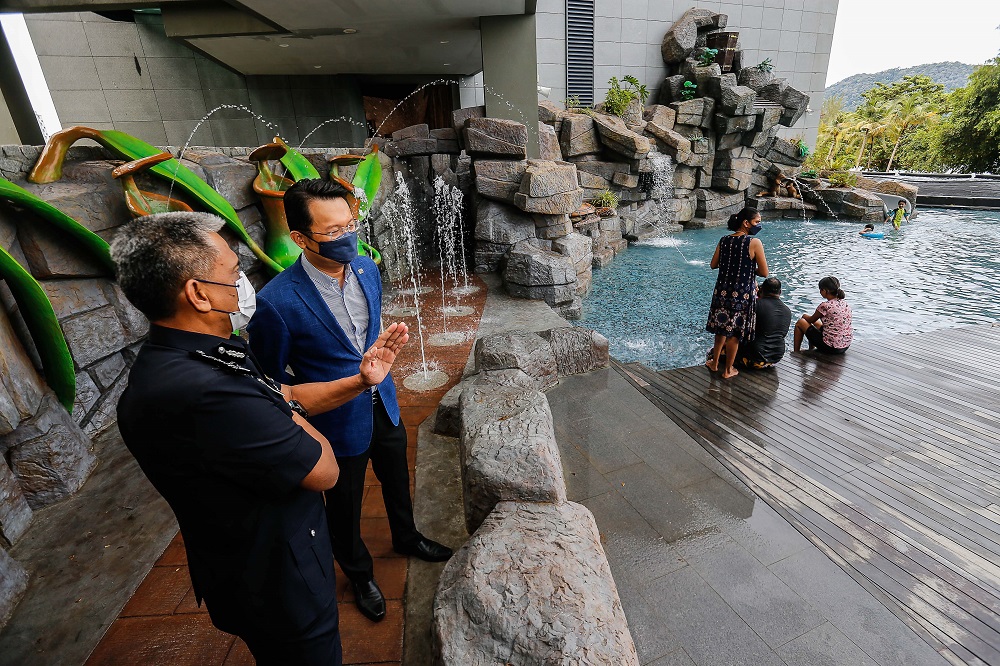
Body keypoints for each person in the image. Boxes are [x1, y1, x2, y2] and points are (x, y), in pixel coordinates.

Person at [112, 212, 410, 665]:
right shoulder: (205, 392)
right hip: (276, 582)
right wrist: (287, 411)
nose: (244, 282)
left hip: (270, 561)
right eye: (234, 273)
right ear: (197, 293)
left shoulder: (204, 353)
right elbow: (324, 469)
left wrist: (361, 381)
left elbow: (283, 391)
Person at [247, 178, 452, 624]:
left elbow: (366, 333)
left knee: (398, 476)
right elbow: (272, 378)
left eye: (351, 225)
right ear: (300, 238)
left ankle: (407, 537)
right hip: (336, 419)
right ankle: (359, 574)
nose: (348, 238)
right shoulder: (276, 301)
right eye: (333, 232)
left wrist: (381, 352)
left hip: (385, 401)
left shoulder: (366, 268)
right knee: (345, 504)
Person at [705, 206, 769, 379]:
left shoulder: (724, 240)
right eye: (757, 222)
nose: (759, 225)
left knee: (721, 329)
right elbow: (764, 272)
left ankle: (714, 363)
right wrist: (749, 270)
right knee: (734, 332)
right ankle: (728, 370)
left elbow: (713, 265)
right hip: (742, 294)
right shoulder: (754, 243)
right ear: (746, 223)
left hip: (722, 292)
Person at [737, 277, 792, 369]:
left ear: (762, 290)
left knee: (718, 350)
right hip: (776, 357)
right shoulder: (787, 310)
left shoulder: (755, 304)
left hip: (755, 356)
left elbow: (740, 327)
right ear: (780, 292)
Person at [793, 276, 853, 354]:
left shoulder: (825, 306)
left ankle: (796, 352)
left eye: (820, 290)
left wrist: (804, 315)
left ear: (825, 291)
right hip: (845, 345)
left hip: (831, 347)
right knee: (817, 324)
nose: (820, 292)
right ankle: (810, 349)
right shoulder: (844, 303)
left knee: (801, 322)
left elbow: (811, 320)